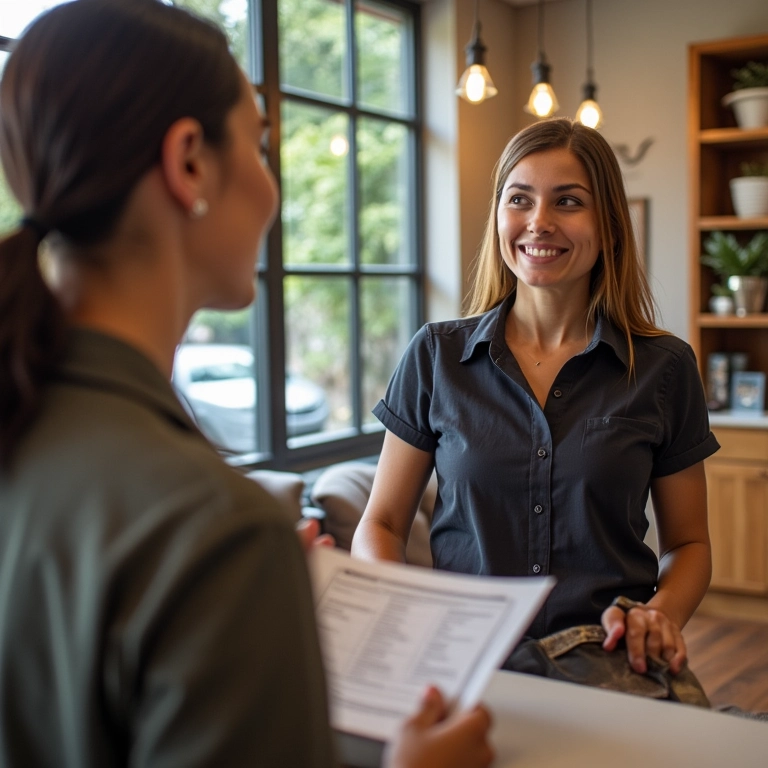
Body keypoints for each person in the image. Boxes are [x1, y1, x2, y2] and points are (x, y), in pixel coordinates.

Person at [0, 2, 493, 766]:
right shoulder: (212, 529)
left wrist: (242, 603)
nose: (272, 188)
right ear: (189, 163)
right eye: (261, 146)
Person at [352, 118, 719, 679]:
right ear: (500, 216)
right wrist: (403, 613)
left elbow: (688, 544)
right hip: (464, 664)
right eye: (519, 199)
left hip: (610, 661)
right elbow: (380, 524)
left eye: (568, 201)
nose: (539, 222)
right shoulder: (435, 355)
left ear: (609, 225)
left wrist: (659, 615)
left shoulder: (664, 367)